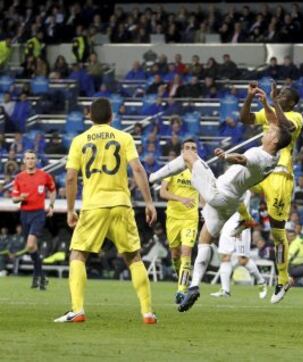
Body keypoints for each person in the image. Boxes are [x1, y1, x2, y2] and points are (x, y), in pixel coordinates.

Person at [150, 90, 291, 312]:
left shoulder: (257, 156)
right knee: (204, 239)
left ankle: (152, 178)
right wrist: (263, 101)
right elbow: (277, 125)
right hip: (231, 203)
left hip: (218, 192)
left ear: (273, 139)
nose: (267, 130)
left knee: (188, 155)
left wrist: (226, 157)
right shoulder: (274, 157)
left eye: (270, 131)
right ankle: (194, 286)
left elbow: (242, 158)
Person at [54, 97, 157, 324]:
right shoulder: (124, 137)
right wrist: (149, 203)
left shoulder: (79, 141)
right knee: (133, 257)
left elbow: (71, 177)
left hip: (93, 205)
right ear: (112, 117)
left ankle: (77, 309)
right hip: (121, 203)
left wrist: (70, 209)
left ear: (89, 115)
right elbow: (138, 170)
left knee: (78, 254)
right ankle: (147, 312)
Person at [240, 82, 303, 304]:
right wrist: (249, 98)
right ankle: (245, 219)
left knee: (277, 233)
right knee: (235, 182)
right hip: (261, 169)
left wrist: (272, 102)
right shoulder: (269, 112)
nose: (281, 94)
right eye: (280, 92)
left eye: (285, 94)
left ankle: (283, 278)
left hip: (280, 176)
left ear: (291, 102)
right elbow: (246, 119)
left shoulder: (296, 116)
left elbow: (286, 128)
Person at [160, 141, 200, 304]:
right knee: (175, 254)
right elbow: (163, 192)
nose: (190, 151)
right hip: (173, 217)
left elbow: (203, 191)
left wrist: (204, 208)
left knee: (186, 252)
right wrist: (180, 199)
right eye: (187, 148)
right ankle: (182, 279)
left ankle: (182, 290)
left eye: (193, 148)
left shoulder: (199, 170)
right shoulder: (173, 168)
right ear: (182, 151)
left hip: (190, 218)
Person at [11, 150, 56, 290]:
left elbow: (53, 190)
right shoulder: (19, 178)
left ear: (36, 160)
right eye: (28, 158)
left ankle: (38, 276)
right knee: (32, 248)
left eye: (32, 158)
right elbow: (14, 198)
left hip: (38, 214)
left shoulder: (44, 176)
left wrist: (51, 205)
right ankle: (41, 277)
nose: (30, 160)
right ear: (24, 161)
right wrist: (20, 198)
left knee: (30, 245)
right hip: (24, 214)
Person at [210, 191, 267, 299]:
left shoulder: (246, 183)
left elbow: (258, 192)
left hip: (241, 224)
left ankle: (261, 282)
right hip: (227, 224)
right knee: (225, 257)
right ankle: (225, 290)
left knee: (242, 259)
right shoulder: (224, 183)